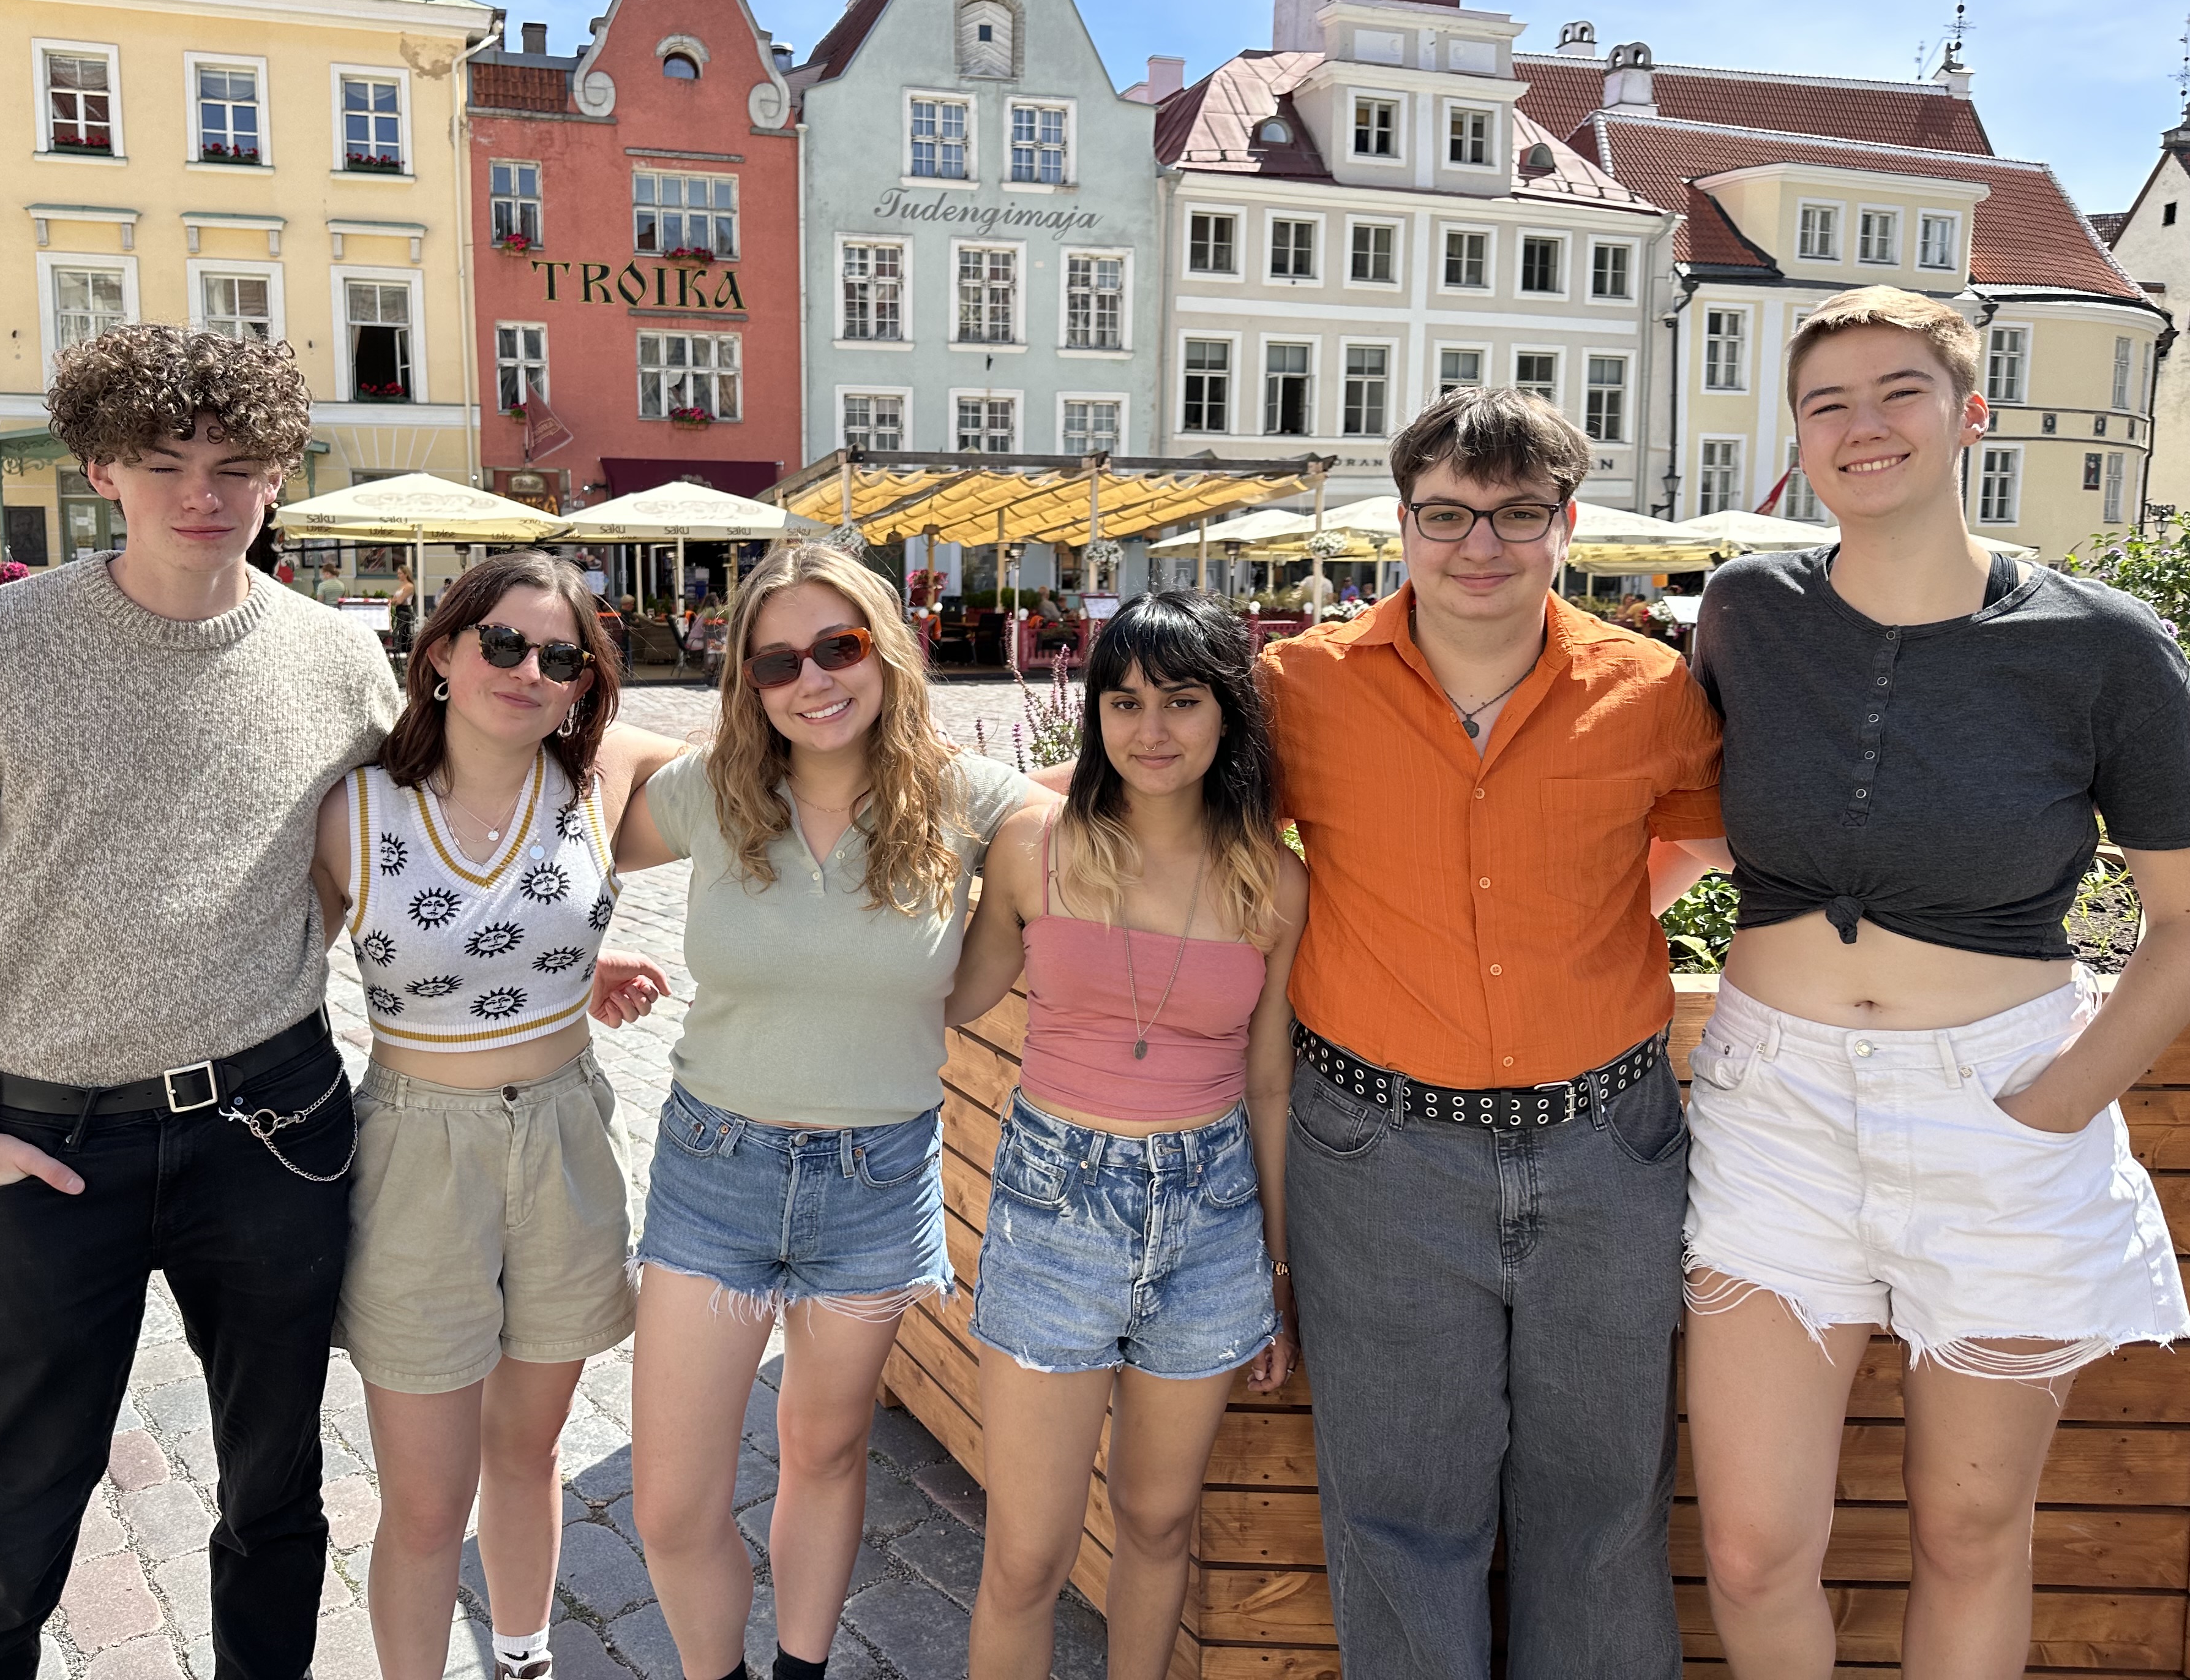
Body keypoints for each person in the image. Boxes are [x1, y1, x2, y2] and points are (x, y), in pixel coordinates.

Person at [0, 325, 399, 1680]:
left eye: (236, 464)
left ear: (281, 475)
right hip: (52, 1146)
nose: (201, 495)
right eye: (165, 463)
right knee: (14, 1506)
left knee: (275, 1491)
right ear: (102, 466)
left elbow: (466, 795)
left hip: (274, 1128)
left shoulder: (336, 659)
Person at [1682, 286, 2190, 1679]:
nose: (1865, 426)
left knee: (1972, 1530)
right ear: (1796, 440)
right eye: (1829, 403)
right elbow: (1691, 817)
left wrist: (2055, 1104)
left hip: (2005, 1110)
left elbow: (2186, 919)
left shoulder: (2107, 650)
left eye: (1900, 391)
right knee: (1751, 1546)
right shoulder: (1743, 611)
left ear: (1970, 414)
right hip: (1775, 1108)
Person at [1264, 386, 1727, 1679]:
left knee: (1604, 1509)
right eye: (1448, 516)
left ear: (1566, 523)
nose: (1482, 547)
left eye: (1518, 515)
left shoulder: (1648, 689)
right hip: (1380, 1159)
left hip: (1607, 1152)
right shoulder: (1300, 686)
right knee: (1401, 1509)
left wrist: (1574, 923)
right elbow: (1138, 809)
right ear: (1399, 525)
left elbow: (1699, 828)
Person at [611, 542, 1048, 1680]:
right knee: (669, 1499)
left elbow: (1117, 809)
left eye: (840, 647)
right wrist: (582, 938)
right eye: (778, 662)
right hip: (716, 1170)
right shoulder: (711, 790)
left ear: (886, 652)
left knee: (825, 1445)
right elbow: (571, 796)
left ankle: (801, 1672)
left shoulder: (967, 798)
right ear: (747, 683)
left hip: (876, 1179)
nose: (815, 679)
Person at [312, 552, 677, 1680]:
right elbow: (256, 981)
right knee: (424, 1502)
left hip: (566, 1139)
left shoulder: (598, 786)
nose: (527, 670)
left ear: (583, 684)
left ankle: (525, 1661)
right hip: (420, 1152)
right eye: (502, 644)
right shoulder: (354, 810)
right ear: (440, 657)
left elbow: (778, 769)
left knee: (531, 1452)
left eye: (559, 656)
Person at [948, 591, 1306, 1680]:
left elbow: (1271, 1085)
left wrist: (1277, 1271)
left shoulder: (1274, 884)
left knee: (1158, 1525)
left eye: (1183, 702)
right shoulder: (1035, 850)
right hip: (1053, 1210)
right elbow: (944, 1004)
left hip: (1210, 1226)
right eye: (1125, 701)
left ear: (1228, 717)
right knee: (1027, 1552)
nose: (1151, 729)